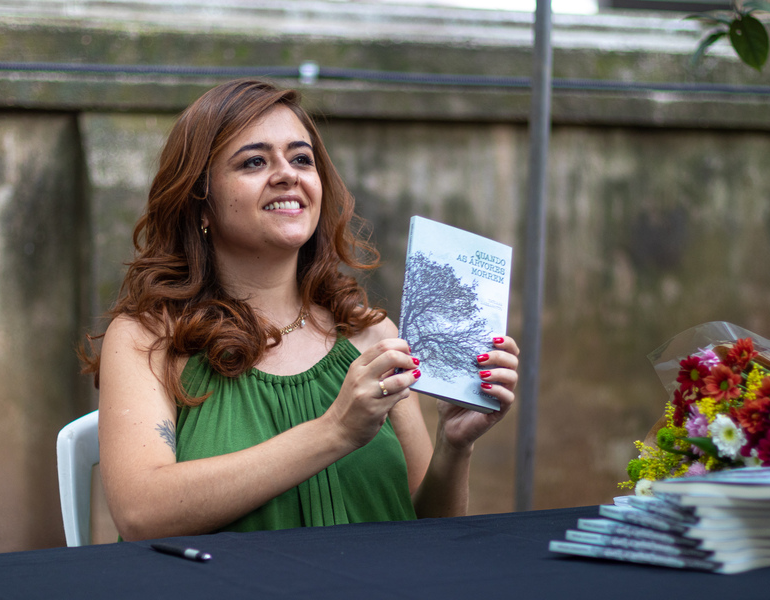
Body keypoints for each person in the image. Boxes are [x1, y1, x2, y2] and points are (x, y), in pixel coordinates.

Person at [82, 78, 519, 542]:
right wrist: (335, 431)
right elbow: (141, 513)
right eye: (254, 161)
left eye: (301, 158)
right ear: (199, 203)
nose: (287, 174)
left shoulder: (372, 336)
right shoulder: (147, 339)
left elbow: (431, 535)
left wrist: (455, 446)